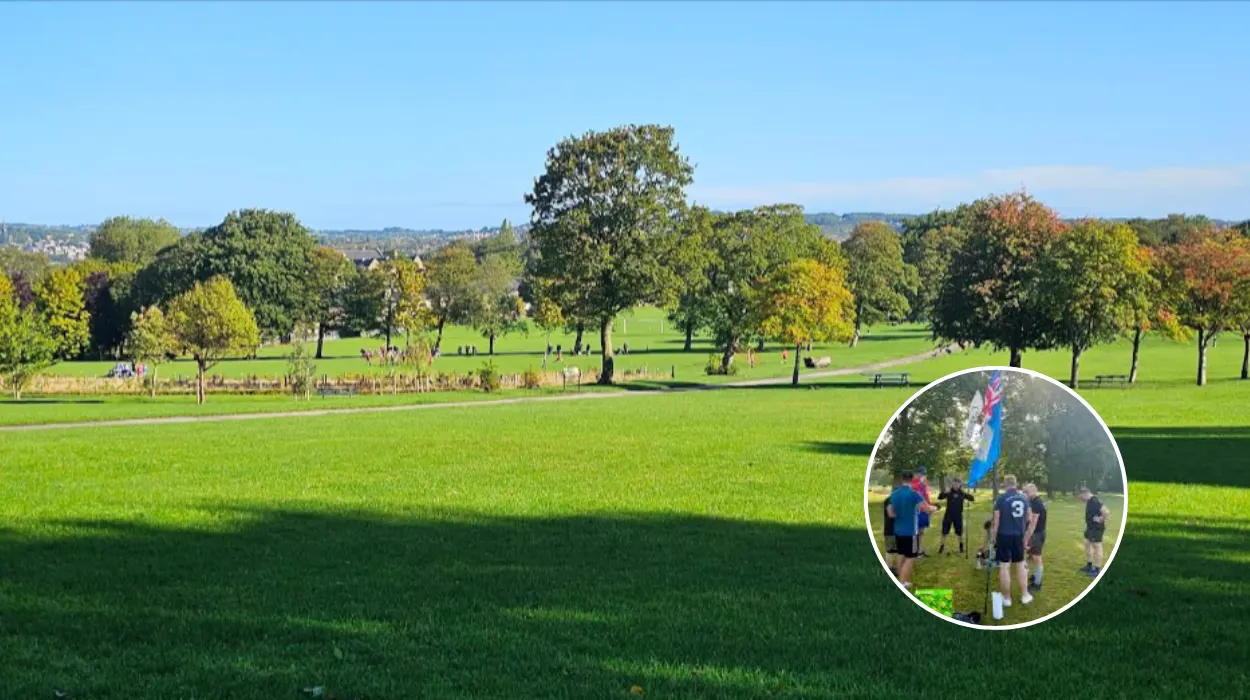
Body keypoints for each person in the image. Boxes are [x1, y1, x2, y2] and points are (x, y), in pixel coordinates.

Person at [886, 470, 935, 590]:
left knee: (901, 554)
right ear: (912, 479)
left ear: (901, 479)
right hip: (911, 532)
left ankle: (899, 580)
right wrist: (934, 508)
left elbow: (891, 514)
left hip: (898, 530)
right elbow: (927, 509)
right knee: (911, 557)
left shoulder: (894, 494)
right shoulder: (914, 494)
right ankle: (902, 583)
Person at [990, 474, 1033, 608]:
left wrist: (994, 537)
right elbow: (1029, 518)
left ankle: (1007, 598)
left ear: (1005, 484)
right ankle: (1025, 595)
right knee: (1020, 564)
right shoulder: (1024, 498)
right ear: (1016, 483)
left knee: (1004, 566)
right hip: (1018, 536)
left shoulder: (1001, 499)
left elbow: (996, 521)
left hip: (1004, 535)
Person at [937, 478, 974, 554]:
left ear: (960, 484)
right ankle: (942, 547)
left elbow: (972, 498)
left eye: (957, 484)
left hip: (958, 516)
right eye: (954, 484)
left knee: (959, 532)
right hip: (948, 515)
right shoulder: (949, 492)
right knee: (944, 532)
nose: (955, 485)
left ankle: (961, 547)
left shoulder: (962, 493)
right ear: (952, 484)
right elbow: (940, 497)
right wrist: (945, 492)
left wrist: (968, 494)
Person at [1080, 487, 1110, 577]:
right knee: (1087, 543)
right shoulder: (1090, 501)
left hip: (1096, 528)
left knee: (1097, 546)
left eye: (1081, 497)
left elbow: (1106, 512)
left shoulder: (1094, 501)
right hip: (1090, 528)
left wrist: (1101, 519)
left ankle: (1097, 569)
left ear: (1085, 493)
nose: (1081, 499)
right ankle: (1089, 565)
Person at [1024, 483, 1047, 592]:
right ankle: (1035, 576)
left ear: (1033, 490)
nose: (1026, 494)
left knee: (1037, 558)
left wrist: (1027, 538)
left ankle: (1037, 584)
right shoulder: (1035, 501)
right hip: (1038, 533)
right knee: (1033, 556)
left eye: (1027, 492)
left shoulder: (1037, 503)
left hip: (1037, 534)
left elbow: (1033, 523)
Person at [912, 468, 935, 557]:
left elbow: (926, 496)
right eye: (921, 474)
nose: (923, 476)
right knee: (915, 532)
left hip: (924, 511)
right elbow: (912, 489)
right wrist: (920, 482)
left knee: (922, 532)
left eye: (924, 474)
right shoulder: (914, 482)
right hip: (917, 511)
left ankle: (920, 550)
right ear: (917, 474)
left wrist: (929, 508)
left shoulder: (924, 484)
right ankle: (914, 552)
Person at [883, 476, 900, 575]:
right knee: (890, 550)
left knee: (897, 550)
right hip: (890, 530)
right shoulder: (890, 501)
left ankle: (894, 568)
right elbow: (891, 514)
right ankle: (889, 569)